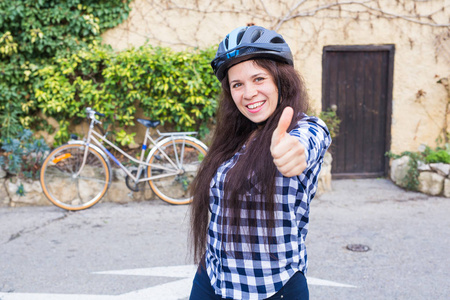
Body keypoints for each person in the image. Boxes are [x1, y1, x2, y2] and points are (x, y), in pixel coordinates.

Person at [189, 25, 331, 300]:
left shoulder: (304, 129)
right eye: (237, 84)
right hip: (212, 278)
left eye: (258, 79)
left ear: (281, 80)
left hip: (271, 287)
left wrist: (293, 151)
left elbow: (308, 142)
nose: (249, 93)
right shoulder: (234, 138)